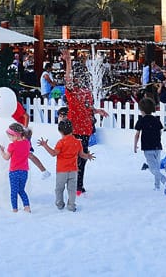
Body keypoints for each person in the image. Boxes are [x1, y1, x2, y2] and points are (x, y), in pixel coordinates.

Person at [62, 49, 108, 195]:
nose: (79, 79)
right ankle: (73, 184)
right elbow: (67, 79)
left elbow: (88, 107)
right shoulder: (71, 91)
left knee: (83, 157)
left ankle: (78, 185)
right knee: (74, 157)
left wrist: (97, 111)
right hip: (74, 129)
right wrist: (68, 62)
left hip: (85, 129)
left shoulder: (86, 92)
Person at [38, 118, 94, 212]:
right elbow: (81, 155)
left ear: (60, 131)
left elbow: (53, 153)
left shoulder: (61, 143)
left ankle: (60, 204)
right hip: (73, 170)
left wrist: (45, 146)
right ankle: (71, 205)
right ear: (72, 130)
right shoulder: (77, 142)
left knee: (59, 189)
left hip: (62, 171)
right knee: (72, 190)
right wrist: (88, 156)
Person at [133, 97, 166, 192]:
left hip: (148, 148)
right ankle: (157, 186)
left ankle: (164, 180)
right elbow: (160, 131)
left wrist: (135, 145)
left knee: (153, 169)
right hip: (157, 146)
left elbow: (137, 134)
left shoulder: (141, 120)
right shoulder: (156, 120)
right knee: (156, 167)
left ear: (142, 110)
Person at [0, 122, 33, 213]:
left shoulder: (12, 146)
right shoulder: (27, 143)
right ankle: (27, 207)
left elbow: (6, 158)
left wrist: (2, 151)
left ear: (16, 135)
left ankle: (15, 209)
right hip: (24, 172)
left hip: (14, 172)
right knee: (21, 190)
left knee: (14, 192)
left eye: (10, 137)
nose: (9, 139)